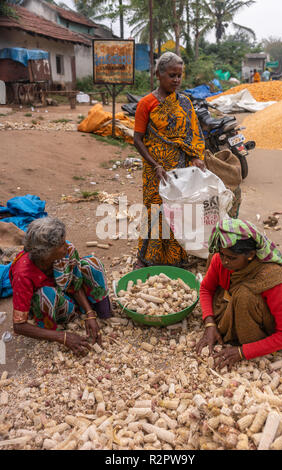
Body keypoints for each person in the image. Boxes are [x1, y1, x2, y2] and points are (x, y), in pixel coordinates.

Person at [196, 218, 282, 369]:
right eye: (222, 254)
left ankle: (248, 338)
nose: (225, 261)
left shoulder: (273, 279)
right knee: (232, 284)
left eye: (231, 258)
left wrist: (242, 352)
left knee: (244, 295)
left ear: (251, 255)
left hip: (264, 323)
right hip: (233, 304)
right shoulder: (221, 260)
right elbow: (206, 288)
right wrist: (210, 324)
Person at [133, 52, 206, 269]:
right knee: (154, 210)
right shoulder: (146, 103)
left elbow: (193, 134)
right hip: (155, 168)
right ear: (159, 74)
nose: (176, 80)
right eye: (172, 75)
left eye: (179, 76)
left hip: (180, 169)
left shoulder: (184, 103)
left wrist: (196, 157)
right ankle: (146, 258)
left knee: (177, 210)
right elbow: (137, 139)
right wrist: (154, 164)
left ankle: (176, 258)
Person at [10, 217, 112, 355]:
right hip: (51, 305)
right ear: (45, 254)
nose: (66, 246)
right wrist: (64, 337)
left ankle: (101, 311)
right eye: (61, 245)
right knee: (45, 294)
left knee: (92, 264)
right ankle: (52, 329)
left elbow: (75, 284)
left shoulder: (66, 251)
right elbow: (19, 326)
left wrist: (90, 314)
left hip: (67, 292)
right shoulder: (23, 274)